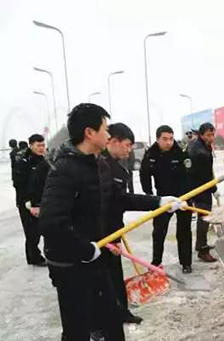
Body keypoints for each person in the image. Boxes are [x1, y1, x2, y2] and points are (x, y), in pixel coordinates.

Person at [40, 103, 125, 340]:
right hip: (69, 264)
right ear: (90, 132)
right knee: (77, 328)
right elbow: (50, 222)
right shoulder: (64, 169)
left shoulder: (100, 164)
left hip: (95, 256)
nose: (108, 134)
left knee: (112, 319)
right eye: (105, 129)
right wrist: (84, 248)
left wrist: (160, 202)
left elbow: (118, 199)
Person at [100, 123, 182, 329]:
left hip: (112, 231)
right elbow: (112, 203)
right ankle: (97, 324)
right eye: (127, 145)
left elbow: (121, 200)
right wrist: (157, 201)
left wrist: (159, 201)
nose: (130, 150)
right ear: (113, 141)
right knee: (100, 281)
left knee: (115, 275)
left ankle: (122, 312)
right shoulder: (98, 166)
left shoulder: (118, 166)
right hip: (98, 234)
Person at [140, 125, 194, 272]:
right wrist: (150, 196)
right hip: (162, 199)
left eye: (170, 138)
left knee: (184, 231)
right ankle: (156, 263)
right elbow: (144, 175)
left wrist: (188, 199)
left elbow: (189, 176)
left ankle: (186, 263)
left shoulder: (180, 152)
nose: (168, 142)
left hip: (182, 197)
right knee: (158, 232)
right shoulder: (151, 154)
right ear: (158, 139)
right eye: (164, 139)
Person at [13, 134, 47, 266]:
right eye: (38, 145)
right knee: (32, 231)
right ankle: (34, 257)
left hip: (42, 200)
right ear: (31, 145)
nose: (41, 148)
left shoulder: (44, 159)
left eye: (43, 145)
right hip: (26, 203)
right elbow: (19, 184)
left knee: (45, 228)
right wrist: (28, 203)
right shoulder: (23, 162)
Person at [187, 123, 218, 262]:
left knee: (203, 218)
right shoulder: (199, 151)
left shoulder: (201, 145)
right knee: (204, 218)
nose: (211, 138)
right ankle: (202, 250)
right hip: (200, 189)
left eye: (212, 135)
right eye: (208, 135)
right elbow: (203, 174)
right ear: (201, 135)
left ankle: (200, 245)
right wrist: (214, 189)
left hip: (200, 187)